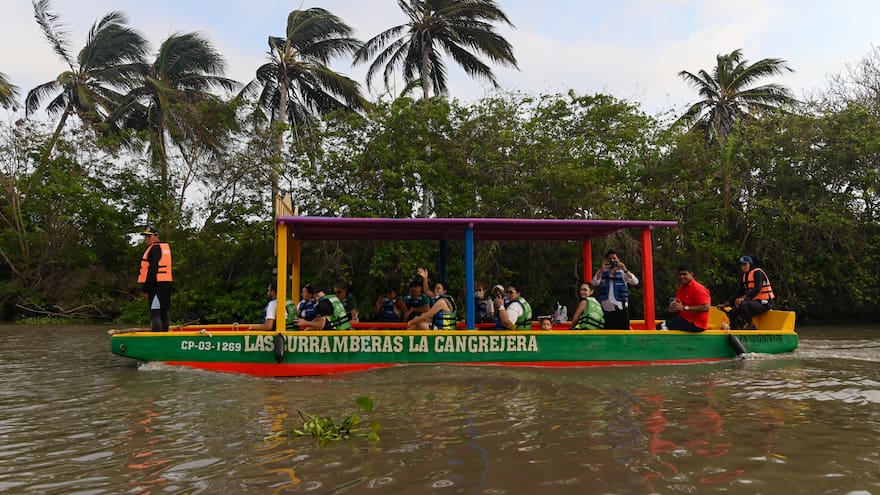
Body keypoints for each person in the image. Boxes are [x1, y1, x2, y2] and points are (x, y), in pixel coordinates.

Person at [716, 255, 775, 329]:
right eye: (741, 265)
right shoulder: (744, 276)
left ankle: (750, 324)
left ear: (750, 264)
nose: (742, 267)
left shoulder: (757, 273)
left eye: (745, 264)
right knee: (733, 311)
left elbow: (757, 288)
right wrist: (725, 304)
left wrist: (743, 298)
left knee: (743, 304)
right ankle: (733, 329)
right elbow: (738, 293)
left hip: (764, 303)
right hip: (754, 303)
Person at [137, 226, 173, 332]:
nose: (147, 239)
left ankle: (158, 337)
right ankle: (164, 335)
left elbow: (153, 270)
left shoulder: (154, 249)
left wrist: (145, 289)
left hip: (157, 286)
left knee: (155, 313)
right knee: (163, 312)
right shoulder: (163, 248)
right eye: (145, 237)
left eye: (149, 236)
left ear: (157, 236)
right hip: (166, 284)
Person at [593, 249, 639, 330]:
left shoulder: (623, 272)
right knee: (608, 331)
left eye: (614, 258)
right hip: (606, 308)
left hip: (621, 306)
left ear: (618, 259)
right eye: (609, 259)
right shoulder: (601, 271)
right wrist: (601, 270)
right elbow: (594, 283)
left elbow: (635, 282)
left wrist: (625, 269)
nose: (612, 260)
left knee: (623, 330)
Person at [658, 264, 711, 332]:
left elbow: (706, 307)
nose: (682, 277)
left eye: (684, 274)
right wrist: (673, 308)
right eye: (679, 275)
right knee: (660, 325)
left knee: (662, 326)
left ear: (691, 274)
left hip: (696, 324)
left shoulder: (698, 288)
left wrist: (684, 308)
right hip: (684, 320)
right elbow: (678, 304)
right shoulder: (682, 288)